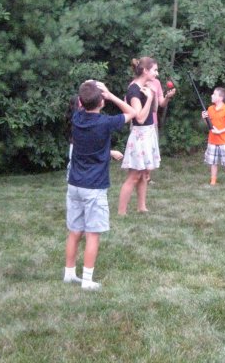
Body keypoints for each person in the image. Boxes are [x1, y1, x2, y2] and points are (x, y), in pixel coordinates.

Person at [64, 80, 135, 290]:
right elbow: (132, 113)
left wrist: (90, 86)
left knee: (75, 231)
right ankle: (87, 280)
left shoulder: (76, 118)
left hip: (74, 184)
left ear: (80, 102)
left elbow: (83, 96)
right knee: (92, 234)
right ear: (102, 102)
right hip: (94, 187)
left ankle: (69, 273)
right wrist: (111, 95)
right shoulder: (105, 123)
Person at [118, 57, 166, 215]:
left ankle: (141, 207)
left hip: (148, 133)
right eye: (155, 70)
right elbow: (139, 117)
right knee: (134, 175)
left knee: (144, 173)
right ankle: (121, 212)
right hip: (140, 136)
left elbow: (154, 110)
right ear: (145, 70)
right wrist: (150, 98)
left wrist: (152, 95)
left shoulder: (146, 87)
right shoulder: (134, 90)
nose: (157, 73)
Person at [65, 95, 123, 181]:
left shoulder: (77, 121)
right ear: (80, 106)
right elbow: (89, 151)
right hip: (82, 176)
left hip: (78, 174)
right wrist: (111, 153)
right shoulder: (79, 123)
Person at [202, 87, 225, 185]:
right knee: (213, 162)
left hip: (223, 141)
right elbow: (208, 124)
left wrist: (219, 131)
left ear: (220, 98)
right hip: (212, 140)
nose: (212, 95)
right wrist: (204, 118)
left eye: (214, 94)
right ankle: (213, 180)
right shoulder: (210, 109)